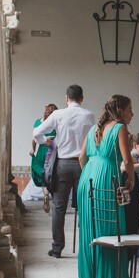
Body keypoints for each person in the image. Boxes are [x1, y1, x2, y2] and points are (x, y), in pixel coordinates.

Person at [76, 94, 135, 278]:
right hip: (106, 178)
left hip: (87, 179)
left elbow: (81, 157)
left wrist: (90, 172)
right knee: (109, 227)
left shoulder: (94, 128)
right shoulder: (120, 128)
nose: (132, 114)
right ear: (120, 111)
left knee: (90, 229)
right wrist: (131, 178)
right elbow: (127, 160)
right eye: (130, 110)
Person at [33, 85, 95, 258]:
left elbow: (36, 132)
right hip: (83, 165)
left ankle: (57, 248)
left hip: (63, 164)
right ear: (82, 98)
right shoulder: (89, 116)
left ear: (66, 99)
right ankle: (86, 247)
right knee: (84, 207)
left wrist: (46, 141)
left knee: (59, 208)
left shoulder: (58, 114)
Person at [28, 103, 58, 208]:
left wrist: (33, 149)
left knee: (43, 175)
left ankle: (45, 194)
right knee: (53, 174)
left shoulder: (38, 122)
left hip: (41, 151)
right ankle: (54, 197)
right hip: (53, 151)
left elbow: (34, 138)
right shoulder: (56, 124)